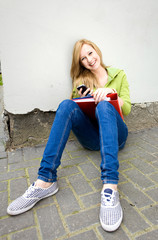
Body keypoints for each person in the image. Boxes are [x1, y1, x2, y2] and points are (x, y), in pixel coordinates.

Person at [7, 39, 131, 232]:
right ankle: (45, 180)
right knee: (66, 104)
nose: (89, 60)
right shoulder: (82, 80)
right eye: (83, 58)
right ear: (80, 63)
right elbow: (75, 109)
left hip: (117, 136)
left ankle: (110, 186)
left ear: (97, 51)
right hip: (92, 137)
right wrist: (83, 98)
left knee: (106, 105)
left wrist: (111, 94)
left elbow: (128, 108)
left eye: (90, 53)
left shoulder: (119, 74)